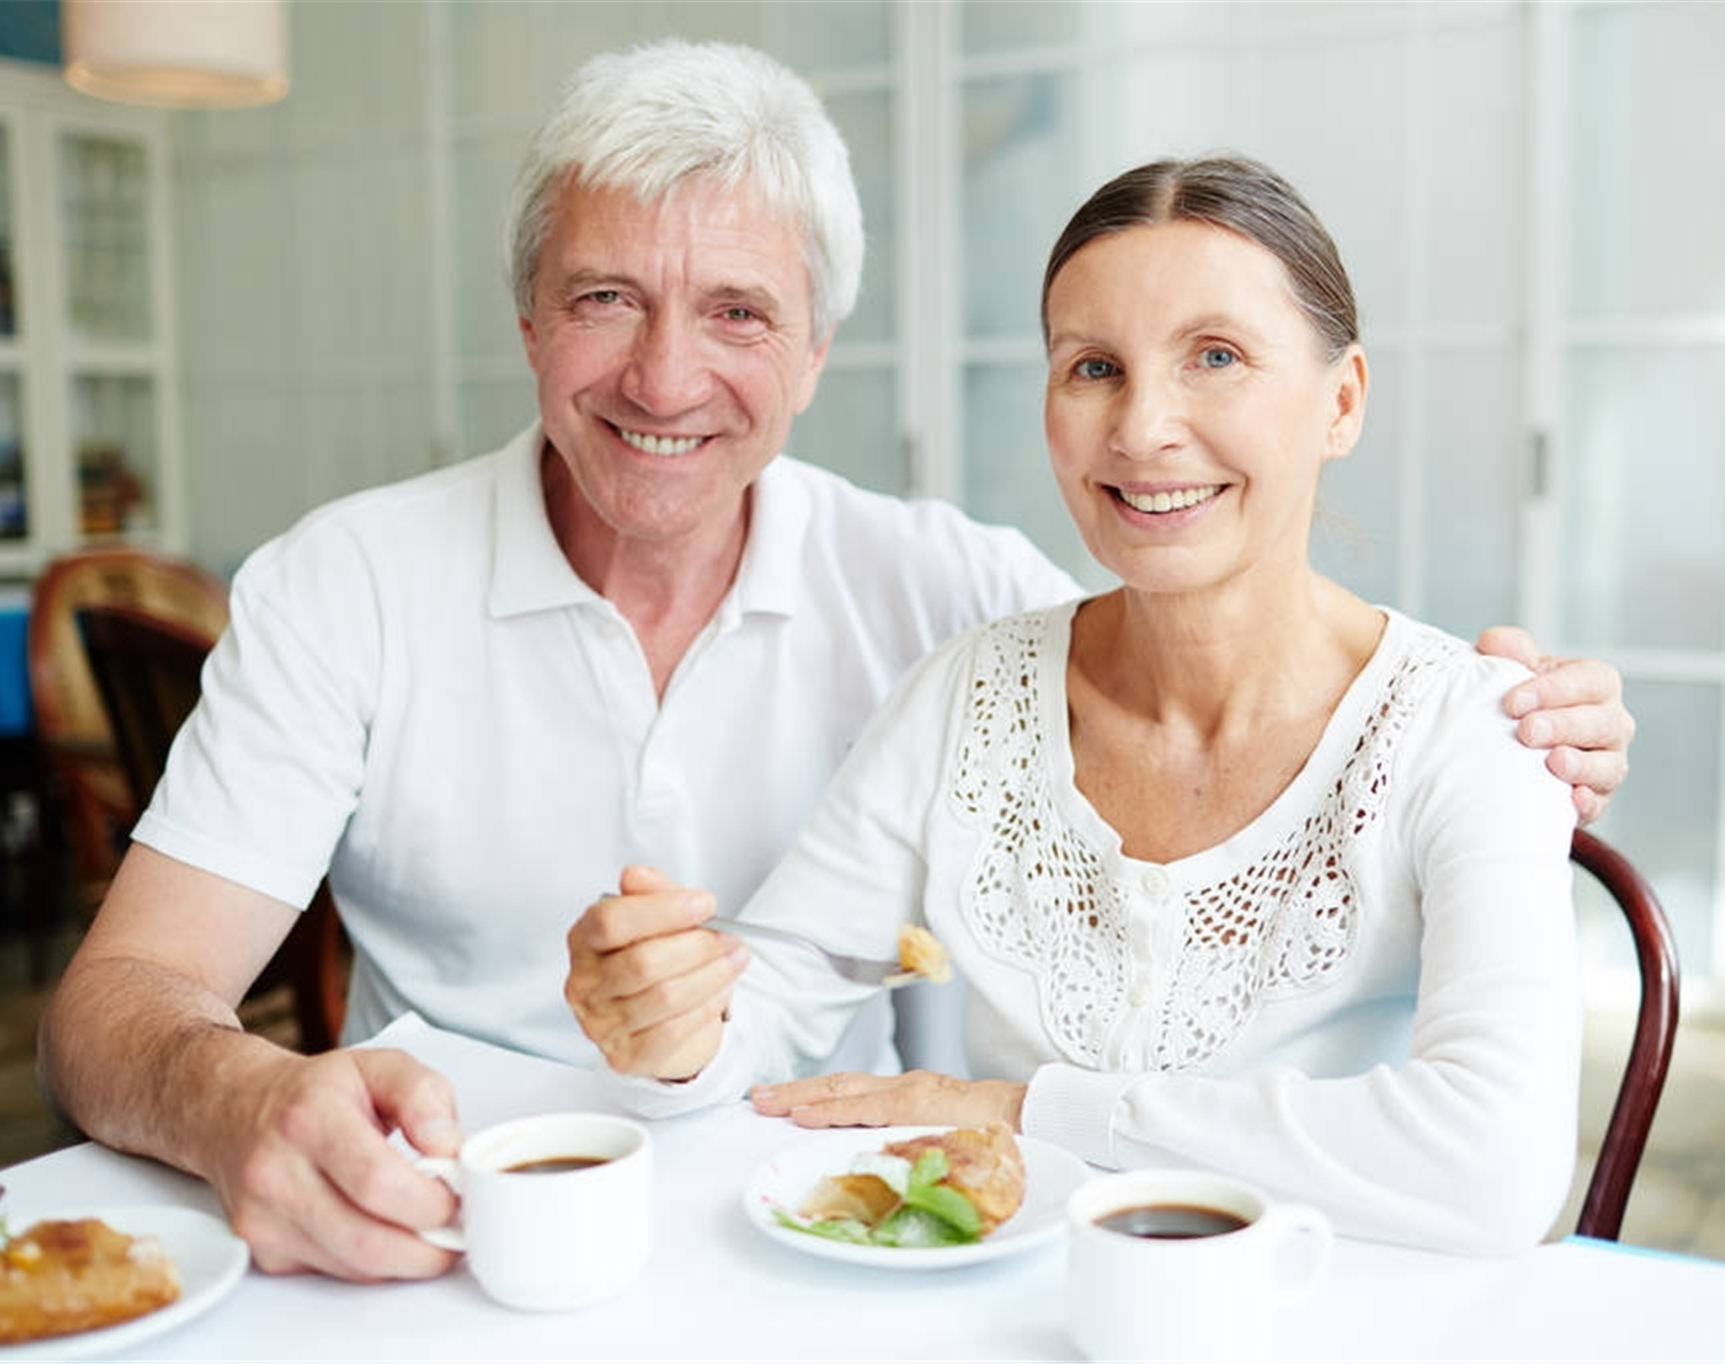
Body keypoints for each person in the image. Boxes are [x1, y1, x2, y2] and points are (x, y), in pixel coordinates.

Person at [39, 41, 1630, 1284]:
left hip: (925, 1231)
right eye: (605, 297)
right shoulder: (350, 582)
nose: (665, 375)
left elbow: (1212, 586)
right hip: (478, 1220)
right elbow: (118, 1002)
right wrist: (242, 1092)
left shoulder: (942, 593)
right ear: (528, 317)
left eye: (736, 310)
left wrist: (1502, 714)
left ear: (815, 352)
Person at [575, 154, 1589, 1257]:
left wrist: (1024, 1110)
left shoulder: (1474, 729)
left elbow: (1494, 1164)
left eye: (1216, 356)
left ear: (1340, 401)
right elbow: (772, 991)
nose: (1145, 427)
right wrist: (674, 1025)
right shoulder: (971, 693)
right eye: (1094, 366)